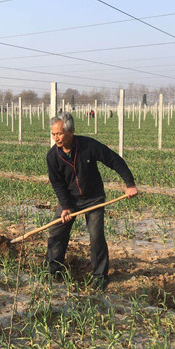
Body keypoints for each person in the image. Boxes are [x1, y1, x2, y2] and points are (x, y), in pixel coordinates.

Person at [46, 112, 138, 290]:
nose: (56, 138)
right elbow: (57, 184)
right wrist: (65, 206)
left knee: (96, 236)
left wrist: (129, 184)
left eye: (59, 133)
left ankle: (100, 277)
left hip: (93, 198)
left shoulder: (88, 146)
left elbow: (114, 160)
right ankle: (53, 271)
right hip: (70, 200)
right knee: (56, 232)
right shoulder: (52, 157)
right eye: (53, 134)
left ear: (71, 132)